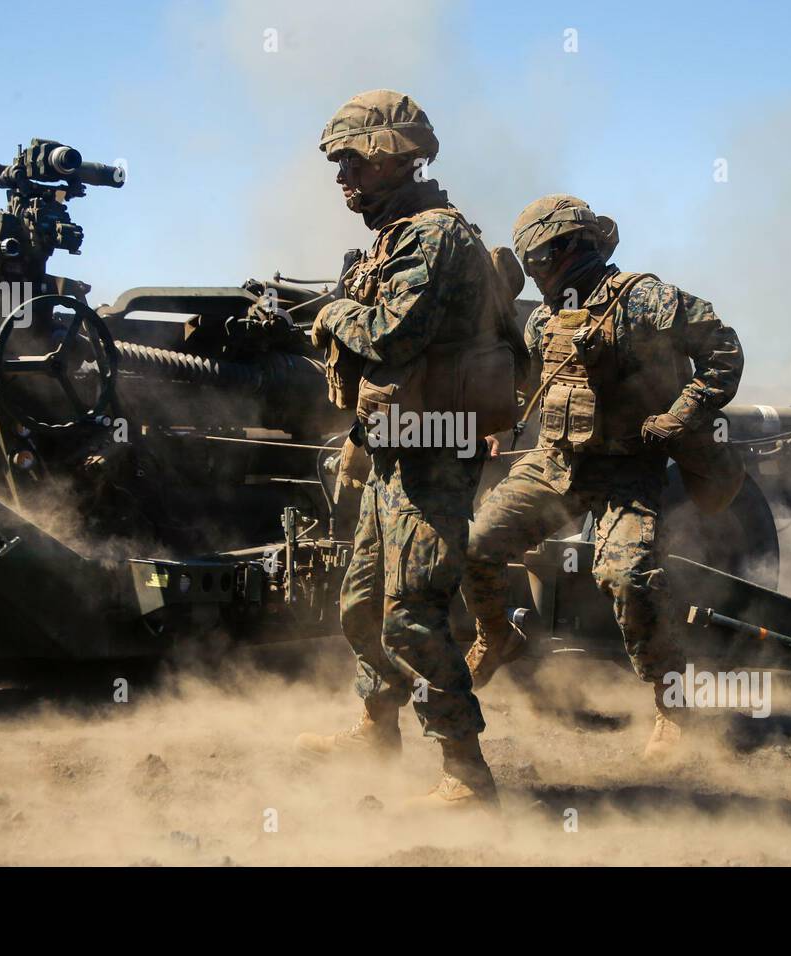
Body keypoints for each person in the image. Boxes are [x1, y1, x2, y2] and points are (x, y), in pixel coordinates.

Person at [461, 194, 745, 760]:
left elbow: (723, 351)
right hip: (556, 463)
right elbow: (534, 382)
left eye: (539, 258)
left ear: (570, 248)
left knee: (627, 575)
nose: (534, 272)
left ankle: (672, 705)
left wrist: (681, 415)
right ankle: (497, 633)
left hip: (627, 469)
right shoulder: (543, 319)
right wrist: (501, 424)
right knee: (473, 547)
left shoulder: (646, 299)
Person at [295, 90, 512, 809]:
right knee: (360, 606)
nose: (341, 178)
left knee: (411, 615)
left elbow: (390, 337)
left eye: (351, 160)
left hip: (434, 453)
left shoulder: (435, 236)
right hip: (396, 446)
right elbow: (393, 368)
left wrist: (331, 310)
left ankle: (465, 774)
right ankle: (374, 727)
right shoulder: (396, 237)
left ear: (392, 156)